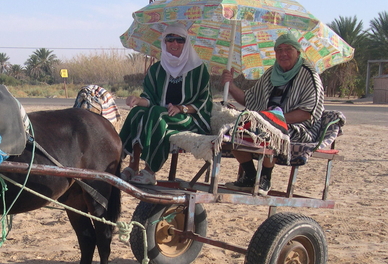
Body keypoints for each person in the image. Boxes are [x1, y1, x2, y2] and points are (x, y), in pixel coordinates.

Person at [220, 33, 325, 195]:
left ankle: (265, 178)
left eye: (288, 49)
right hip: (266, 121)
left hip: (299, 127)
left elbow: (307, 113)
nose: (283, 54)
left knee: (269, 131)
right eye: (279, 50)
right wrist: (231, 85)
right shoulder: (271, 73)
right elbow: (250, 99)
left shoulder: (309, 75)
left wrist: (274, 120)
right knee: (231, 128)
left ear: (298, 52)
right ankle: (250, 175)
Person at [119, 25, 213, 185]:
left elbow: (205, 100)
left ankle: (150, 170)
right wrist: (137, 100)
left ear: (186, 43)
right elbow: (150, 98)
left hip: (190, 118)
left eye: (179, 40)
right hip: (160, 114)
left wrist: (182, 108)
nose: (174, 44)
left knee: (157, 113)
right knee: (138, 112)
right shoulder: (156, 69)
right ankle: (131, 164)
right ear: (164, 42)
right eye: (170, 39)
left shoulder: (198, 69)